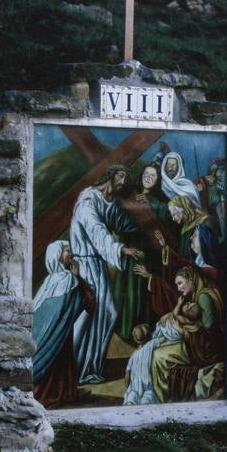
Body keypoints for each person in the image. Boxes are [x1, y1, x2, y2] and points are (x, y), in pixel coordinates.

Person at [70, 164, 143, 383]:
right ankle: (77, 368)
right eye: (121, 175)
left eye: (126, 178)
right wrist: (119, 248)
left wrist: (144, 210)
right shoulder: (88, 199)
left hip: (98, 265)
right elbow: (96, 230)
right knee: (89, 314)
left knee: (108, 312)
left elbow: (125, 224)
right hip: (84, 264)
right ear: (110, 176)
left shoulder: (112, 204)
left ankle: (92, 367)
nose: (123, 181)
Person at [123, 266, 224, 405]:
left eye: (180, 283)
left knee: (158, 357)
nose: (178, 288)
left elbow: (209, 338)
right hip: (193, 343)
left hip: (202, 350)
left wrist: (182, 331)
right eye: (177, 284)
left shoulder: (204, 298)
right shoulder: (197, 295)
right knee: (159, 348)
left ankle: (159, 399)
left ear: (191, 279)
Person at [32, 241, 94, 408]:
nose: (70, 254)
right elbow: (87, 302)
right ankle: (58, 394)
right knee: (57, 363)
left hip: (55, 333)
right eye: (67, 251)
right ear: (58, 255)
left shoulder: (49, 281)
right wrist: (78, 278)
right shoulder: (67, 279)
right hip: (59, 334)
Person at [112, 164, 171, 341]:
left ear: (158, 181)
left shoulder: (160, 203)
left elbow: (164, 229)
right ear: (141, 175)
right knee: (126, 287)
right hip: (130, 247)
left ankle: (142, 332)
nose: (149, 178)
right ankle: (124, 328)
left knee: (141, 289)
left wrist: (150, 210)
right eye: (147, 174)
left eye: (153, 176)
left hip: (148, 252)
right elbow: (119, 220)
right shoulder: (130, 196)